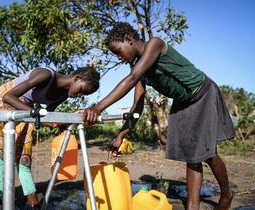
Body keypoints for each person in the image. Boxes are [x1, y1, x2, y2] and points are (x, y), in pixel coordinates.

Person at [82, 22, 235, 210]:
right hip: (183, 102)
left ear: (129, 40)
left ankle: (226, 194)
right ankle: (192, 206)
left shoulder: (155, 44)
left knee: (206, 152)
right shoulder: (140, 71)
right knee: (192, 155)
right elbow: (136, 107)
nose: (119, 58)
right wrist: (121, 135)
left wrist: (97, 108)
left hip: (201, 92)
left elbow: (131, 79)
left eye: (118, 51)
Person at [0, 66, 99, 210]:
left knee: (24, 157)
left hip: (26, 110)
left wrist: (65, 120)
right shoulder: (45, 75)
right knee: (1, 155)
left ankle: (33, 202)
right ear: (77, 78)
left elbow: (47, 117)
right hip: (3, 104)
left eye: (83, 95)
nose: (79, 95)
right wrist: (34, 112)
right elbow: (8, 97)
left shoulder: (64, 94)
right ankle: (6, 200)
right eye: (81, 90)